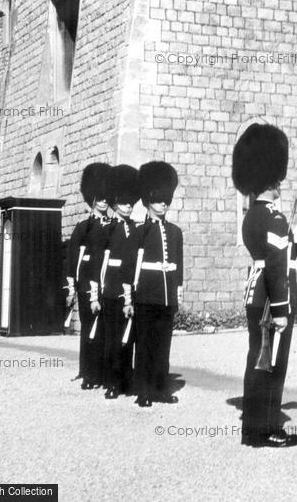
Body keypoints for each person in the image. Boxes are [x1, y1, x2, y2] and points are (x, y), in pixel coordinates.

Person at [232, 123, 297, 448]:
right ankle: (266, 429)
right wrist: (282, 309)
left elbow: (276, 253)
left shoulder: (253, 216)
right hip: (272, 300)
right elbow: (278, 265)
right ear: (274, 182)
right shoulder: (274, 218)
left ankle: (253, 428)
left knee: (258, 360)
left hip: (258, 294)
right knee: (272, 365)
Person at [120, 161, 183, 408]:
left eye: (166, 199)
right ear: (148, 201)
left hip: (166, 297)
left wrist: (177, 295)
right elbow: (129, 268)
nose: (163, 204)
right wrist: (128, 299)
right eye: (158, 199)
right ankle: (144, 390)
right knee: (145, 345)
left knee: (163, 346)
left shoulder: (175, 232)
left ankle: (160, 389)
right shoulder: (140, 231)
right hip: (146, 295)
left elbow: (178, 267)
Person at [92, 164, 140, 399]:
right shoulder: (107, 229)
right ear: (115, 204)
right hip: (111, 291)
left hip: (132, 291)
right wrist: (96, 295)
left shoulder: (137, 229)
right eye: (123, 203)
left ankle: (126, 380)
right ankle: (112, 381)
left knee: (128, 338)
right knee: (112, 338)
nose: (128, 207)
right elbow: (98, 265)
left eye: (130, 203)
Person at [65, 162, 112, 390]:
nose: (103, 202)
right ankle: (89, 372)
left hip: (108, 285)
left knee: (106, 329)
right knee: (89, 328)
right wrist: (73, 286)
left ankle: (104, 372)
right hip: (87, 285)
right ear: (92, 198)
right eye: (99, 198)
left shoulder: (114, 226)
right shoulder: (83, 227)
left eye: (106, 198)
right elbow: (72, 260)